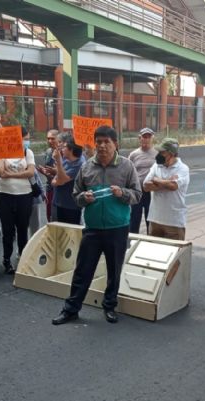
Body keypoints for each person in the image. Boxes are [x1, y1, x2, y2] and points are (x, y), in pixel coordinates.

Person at [52, 126, 141, 325]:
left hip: (117, 228)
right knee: (83, 270)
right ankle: (71, 309)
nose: (101, 146)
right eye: (98, 142)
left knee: (114, 270)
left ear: (115, 144)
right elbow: (76, 195)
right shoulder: (87, 167)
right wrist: (84, 197)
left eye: (106, 142)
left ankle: (109, 306)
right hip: (92, 228)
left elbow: (138, 194)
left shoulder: (126, 167)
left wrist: (122, 194)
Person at [0, 128, 35, 274]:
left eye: (27, 139)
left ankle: (22, 258)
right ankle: (6, 260)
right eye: (25, 138)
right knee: (7, 230)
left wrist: (10, 174)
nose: (27, 141)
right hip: (5, 195)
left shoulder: (27, 152)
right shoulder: (3, 151)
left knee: (22, 229)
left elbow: (30, 172)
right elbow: (0, 173)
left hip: (24, 195)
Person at [143, 138, 190, 240]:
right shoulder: (156, 166)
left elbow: (173, 186)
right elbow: (146, 186)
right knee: (153, 254)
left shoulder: (183, 168)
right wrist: (166, 182)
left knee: (174, 254)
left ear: (171, 154)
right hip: (155, 220)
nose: (159, 155)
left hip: (174, 222)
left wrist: (156, 180)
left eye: (162, 152)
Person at [51, 133, 85, 224]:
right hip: (59, 201)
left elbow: (61, 180)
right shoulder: (66, 159)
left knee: (70, 234)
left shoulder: (79, 163)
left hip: (71, 206)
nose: (62, 149)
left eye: (64, 147)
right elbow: (55, 180)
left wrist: (58, 160)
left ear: (71, 149)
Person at [128, 127, 157, 234]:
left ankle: (150, 242)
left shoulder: (157, 155)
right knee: (134, 218)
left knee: (150, 218)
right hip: (137, 191)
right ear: (140, 138)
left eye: (148, 137)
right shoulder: (133, 154)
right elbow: (129, 172)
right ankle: (132, 242)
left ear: (152, 138)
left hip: (151, 192)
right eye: (144, 137)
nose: (146, 139)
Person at [37, 129, 60, 221]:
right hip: (49, 187)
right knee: (49, 216)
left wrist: (55, 172)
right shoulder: (48, 152)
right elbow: (49, 172)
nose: (50, 141)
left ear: (58, 139)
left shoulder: (63, 152)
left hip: (60, 188)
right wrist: (44, 172)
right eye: (48, 139)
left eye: (52, 138)